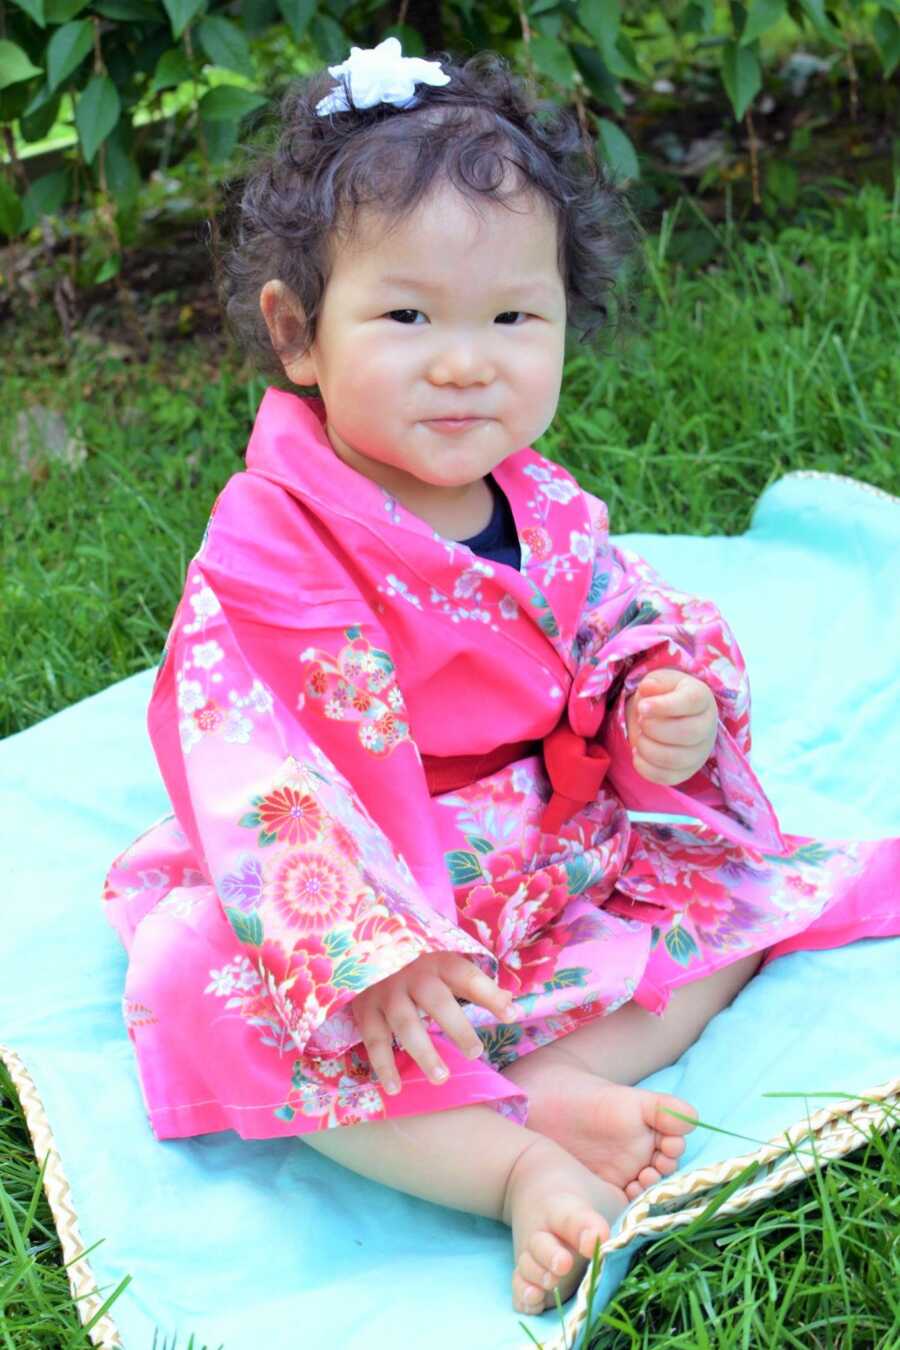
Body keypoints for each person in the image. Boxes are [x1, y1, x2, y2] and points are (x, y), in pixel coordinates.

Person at [103, 39, 900, 1315]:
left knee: (740, 904)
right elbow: (245, 746)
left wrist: (660, 708)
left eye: (512, 318)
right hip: (370, 882)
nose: (467, 361)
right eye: (408, 317)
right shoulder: (270, 537)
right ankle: (512, 1161)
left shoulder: (544, 507)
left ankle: (546, 1079)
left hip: (541, 853)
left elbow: (630, 624)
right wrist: (363, 943)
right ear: (299, 335)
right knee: (196, 975)